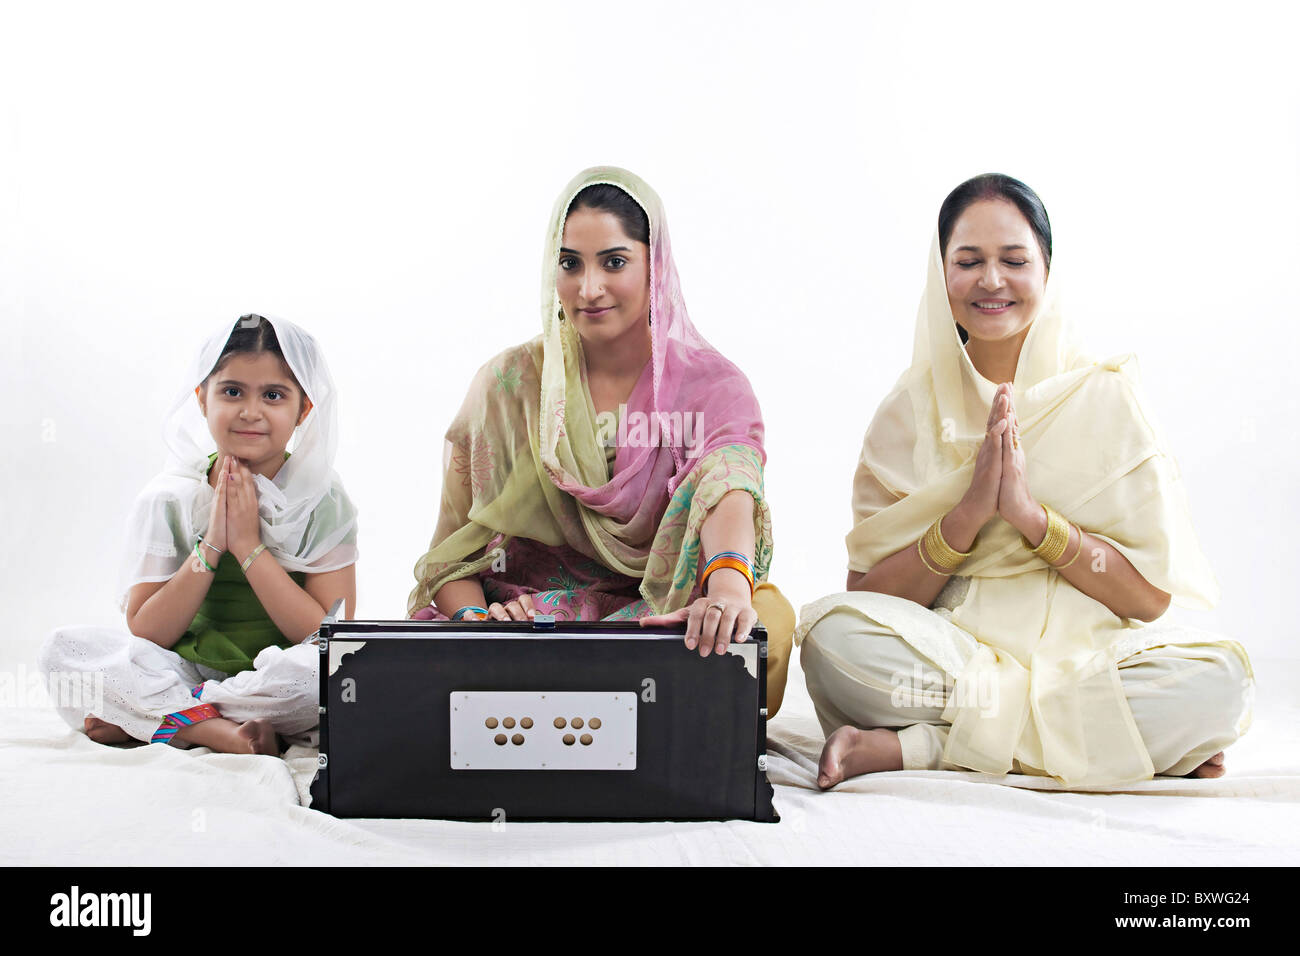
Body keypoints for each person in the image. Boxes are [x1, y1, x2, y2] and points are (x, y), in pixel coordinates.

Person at [796, 174, 1253, 789]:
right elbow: (872, 597)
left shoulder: (1105, 397)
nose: (991, 280)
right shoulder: (905, 414)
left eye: (1014, 260)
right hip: (955, 659)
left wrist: (1035, 522)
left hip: (1082, 657)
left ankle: (925, 746)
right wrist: (967, 516)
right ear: (941, 274)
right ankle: (1113, 740)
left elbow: (1147, 601)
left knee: (1217, 682)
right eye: (968, 261)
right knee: (833, 641)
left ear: (1047, 271)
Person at [408, 166, 794, 714]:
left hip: (665, 614)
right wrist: (478, 627)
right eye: (570, 264)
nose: (588, 289)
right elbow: (453, 557)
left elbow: (728, 479)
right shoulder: (510, 384)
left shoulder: (710, 384)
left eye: (614, 262)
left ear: (654, 265)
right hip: (524, 620)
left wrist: (728, 590)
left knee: (768, 628)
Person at [39, 314, 357, 754]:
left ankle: (158, 719)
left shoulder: (323, 500)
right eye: (232, 392)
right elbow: (147, 633)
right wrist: (211, 546)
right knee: (64, 651)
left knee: (325, 674)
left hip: (275, 676)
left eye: (273, 395)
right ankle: (217, 728)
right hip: (184, 667)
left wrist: (248, 547)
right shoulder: (172, 497)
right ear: (202, 399)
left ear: (303, 409)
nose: (250, 411)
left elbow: (326, 635)